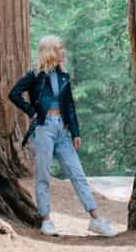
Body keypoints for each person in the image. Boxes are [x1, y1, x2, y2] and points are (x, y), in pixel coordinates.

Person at [8, 34, 117, 237]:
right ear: (50, 51)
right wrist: (31, 112)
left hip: (63, 131)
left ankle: (96, 220)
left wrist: (75, 132)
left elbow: (70, 107)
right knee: (43, 175)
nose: (63, 52)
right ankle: (46, 220)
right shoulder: (34, 75)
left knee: (77, 174)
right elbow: (14, 93)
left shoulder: (64, 76)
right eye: (60, 48)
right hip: (44, 129)